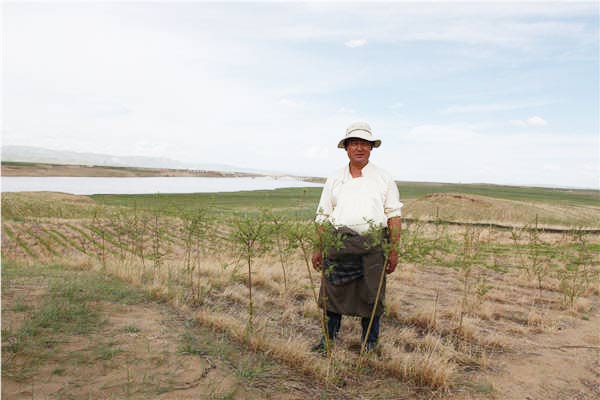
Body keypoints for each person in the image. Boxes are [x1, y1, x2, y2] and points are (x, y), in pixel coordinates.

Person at [311, 121, 403, 354]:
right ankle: (328, 340)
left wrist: (393, 250)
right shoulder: (334, 178)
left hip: (373, 246)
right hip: (338, 245)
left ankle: (370, 343)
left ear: (371, 148)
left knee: (372, 295)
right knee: (333, 293)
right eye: (354, 143)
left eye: (364, 144)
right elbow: (323, 215)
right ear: (346, 148)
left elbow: (393, 216)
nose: (359, 148)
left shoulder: (384, 178)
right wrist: (317, 247)